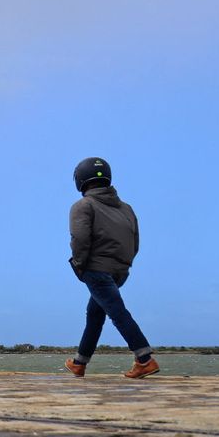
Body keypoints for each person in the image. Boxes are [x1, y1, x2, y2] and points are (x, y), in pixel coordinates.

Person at [66, 157, 158, 379]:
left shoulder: (83, 206)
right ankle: (80, 362)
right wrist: (123, 265)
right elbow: (135, 242)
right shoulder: (127, 209)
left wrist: (79, 265)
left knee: (117, 313)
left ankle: (144, 359)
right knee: (95, 314)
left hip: (96, 269)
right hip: (119, 271)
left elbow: (79, 239)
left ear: (80, 180)